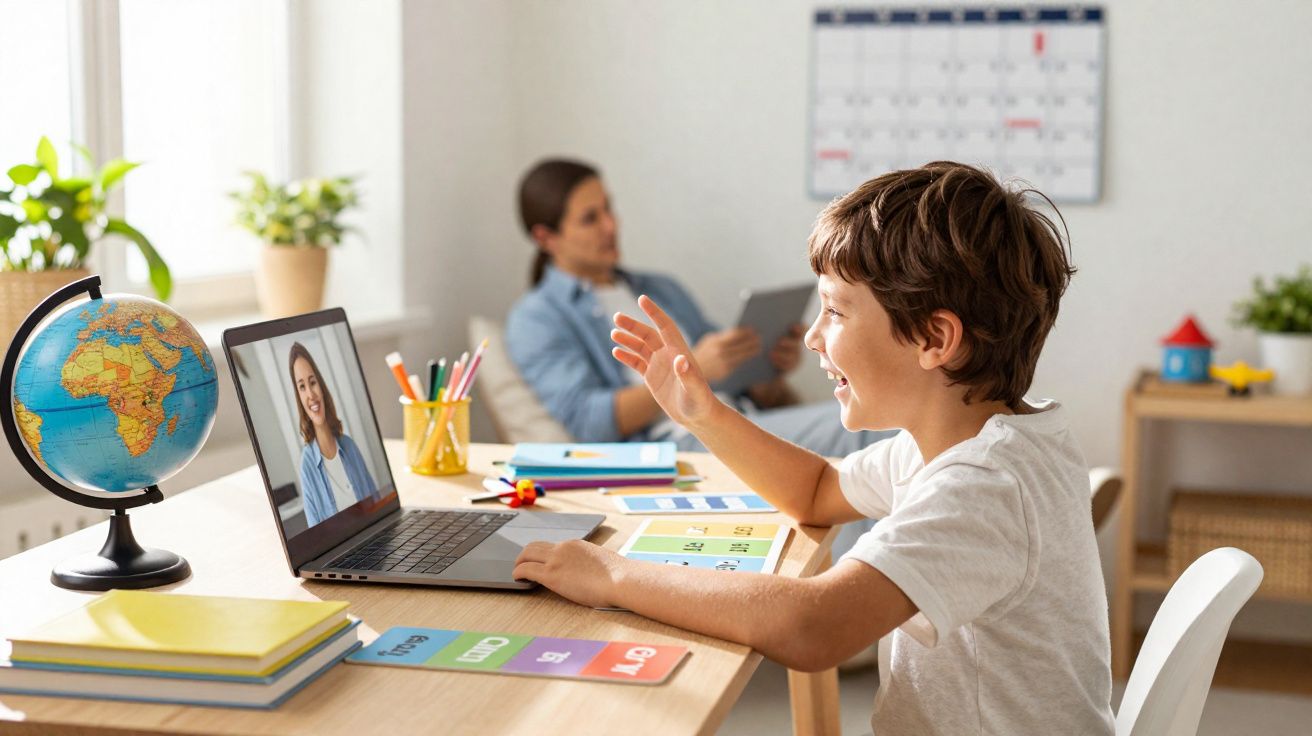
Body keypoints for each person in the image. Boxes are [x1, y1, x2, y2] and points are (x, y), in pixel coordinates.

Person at [513, 162, 1115, 735]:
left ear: (935, 338)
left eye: (834, 311)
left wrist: (612, 575)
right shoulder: (980, 438)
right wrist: (704, 413)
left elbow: (812, 626)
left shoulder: (983, 483)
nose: (810, 336)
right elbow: (818, 491)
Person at [506, 158, 888, 458]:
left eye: (608, 209)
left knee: (879, 425)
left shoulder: (659, 288)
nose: (610, 225)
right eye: (590, 218)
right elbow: (590, 423)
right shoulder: (537, 319)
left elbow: (732, 378)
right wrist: (694, 370)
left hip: (738, 419)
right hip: (678, 446)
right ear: (546, 237)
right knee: (864, 432)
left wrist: (765, 370)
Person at [289, 342, 379, 527]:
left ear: (321, 386)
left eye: (312, 382)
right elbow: (316, 535)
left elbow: (376, 503)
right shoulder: (307, 465)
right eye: (302, 387)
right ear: (299, 397)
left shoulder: (349, 446)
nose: (311, 394)